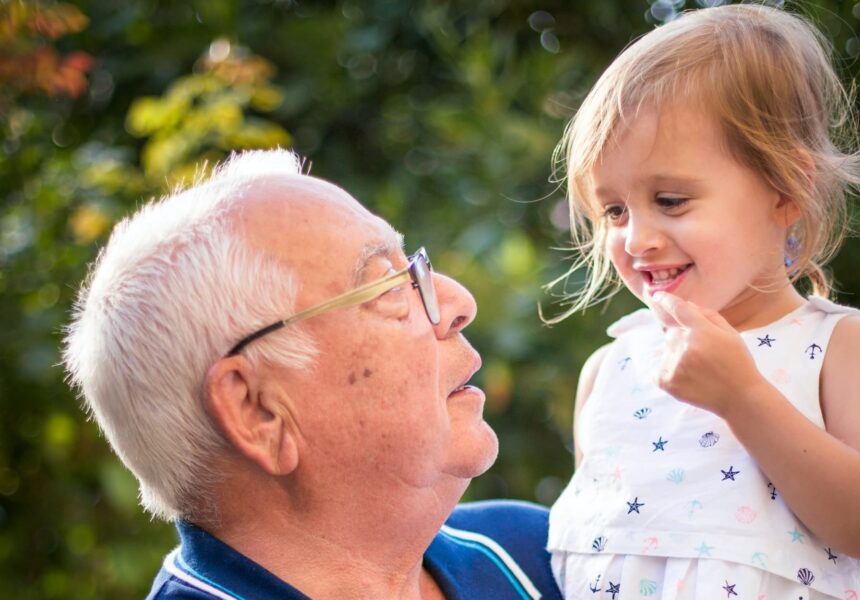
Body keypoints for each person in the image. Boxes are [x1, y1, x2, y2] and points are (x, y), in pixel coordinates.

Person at [62, 149, 562, 600]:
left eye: (414, 269)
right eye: (388, 285)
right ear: (256, 410)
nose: (458, 302)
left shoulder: (546, 557)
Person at [544, 4, 860, 600]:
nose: (636, 239)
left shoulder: (835, 346)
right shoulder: (610, 370)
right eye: (614, 210)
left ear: (784, 191)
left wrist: (744, 398)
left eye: (669, 199)